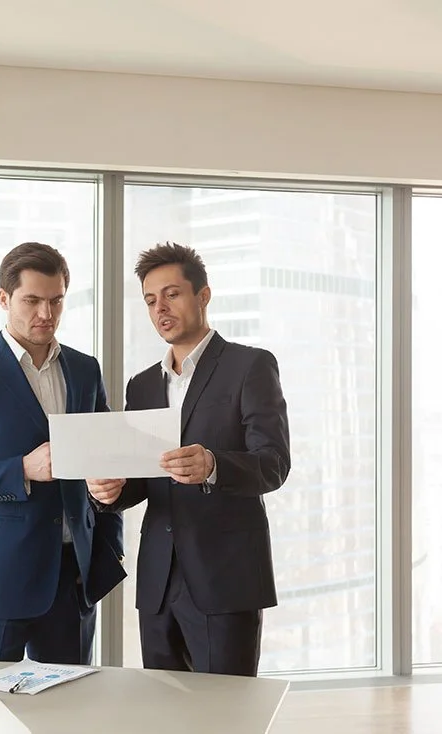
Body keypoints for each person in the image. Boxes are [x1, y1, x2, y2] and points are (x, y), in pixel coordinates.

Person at [87, 242, 290, 677]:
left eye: (172, 294)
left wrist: (213, 465)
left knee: (226, 708)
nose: (160, 308)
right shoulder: (142, 385)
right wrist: (111, 491)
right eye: (150, 300)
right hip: (158, 581)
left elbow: (274, 463)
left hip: (226, 577)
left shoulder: (250, 366)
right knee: (163, 706)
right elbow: (141, 478)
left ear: (203, 296)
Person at [0, 242, 125, 664]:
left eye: (56, 301)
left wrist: (109, 542)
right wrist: (22, 470)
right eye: (32, 301)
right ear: (4, 299)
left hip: (73, 581)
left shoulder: (85, 370)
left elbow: (106, 459)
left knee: (71, 702)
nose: (46, 314)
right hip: (0, 582)